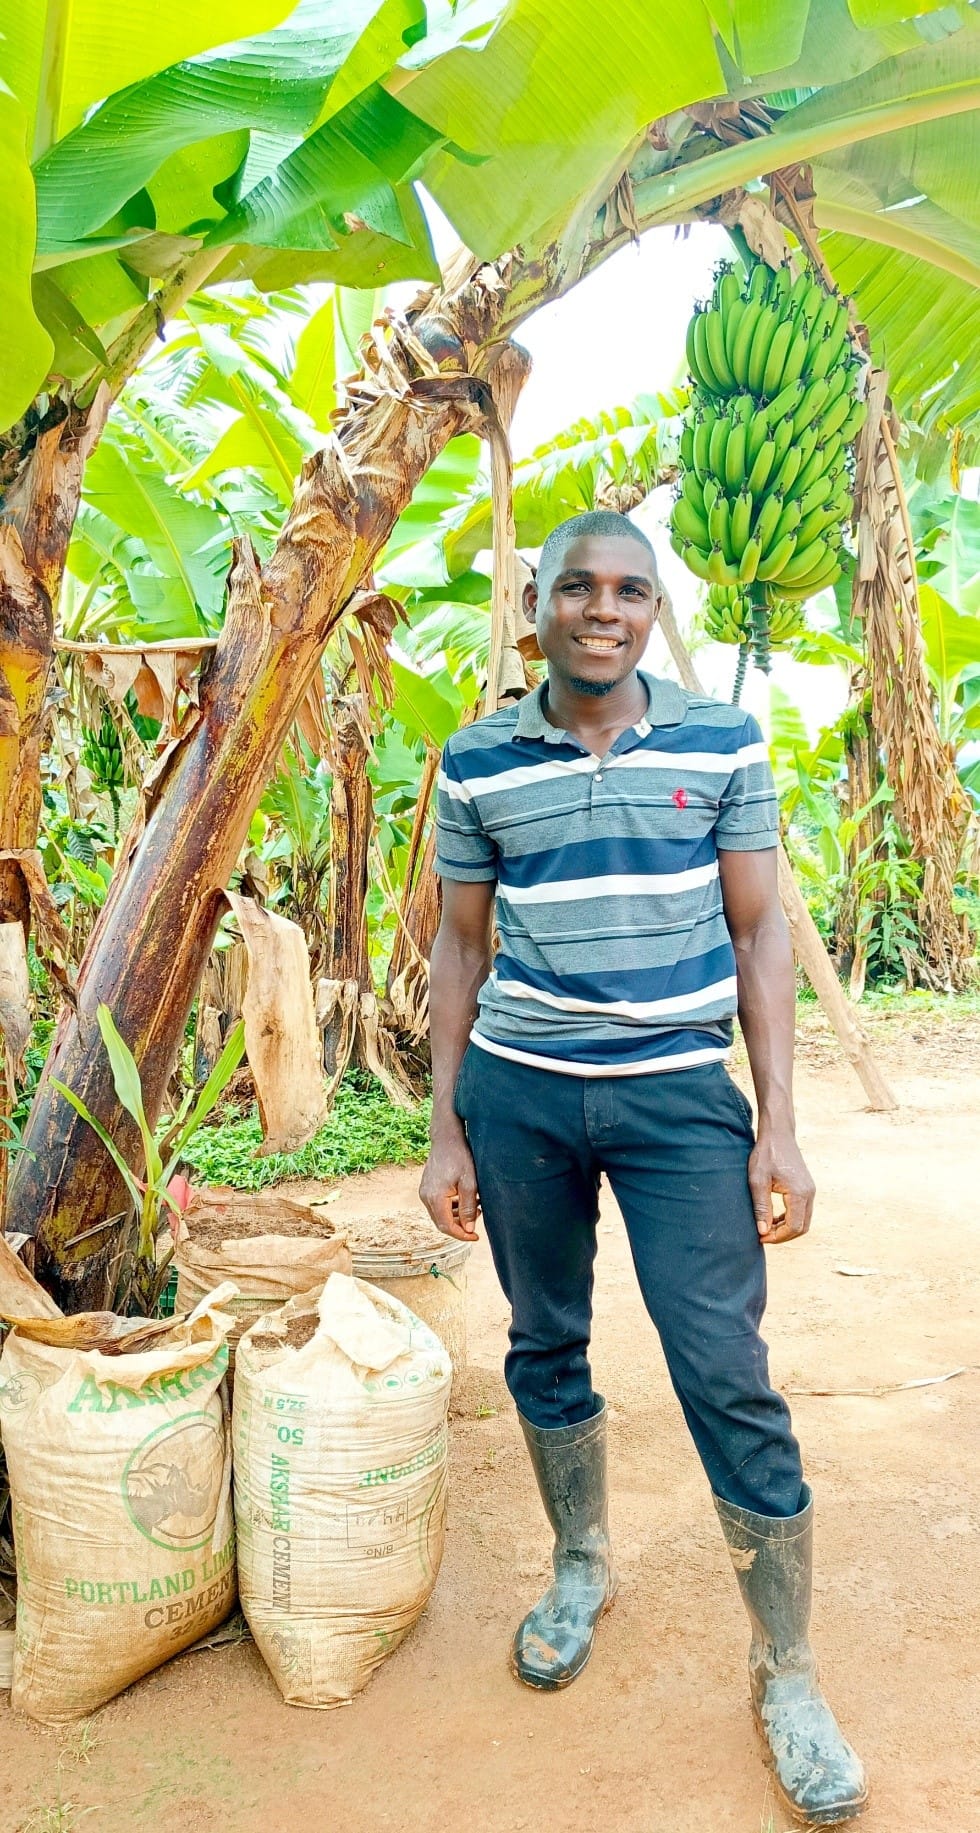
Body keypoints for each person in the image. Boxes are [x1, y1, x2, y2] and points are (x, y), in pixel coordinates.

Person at [420, 510, 867, 1826]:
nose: (602, 610)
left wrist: (778, 1123)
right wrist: (445, 1127)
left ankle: (787, 1669)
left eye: (628, 590)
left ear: (652, 610)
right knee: (544, 1338)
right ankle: (580, 1564)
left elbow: (760, 933)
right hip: (521, 1093)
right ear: (538, 605)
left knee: (724, 1367)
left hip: (679, 1100)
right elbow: (460, 948)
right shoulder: (479, 758)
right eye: (578, 587)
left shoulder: (722, 742)